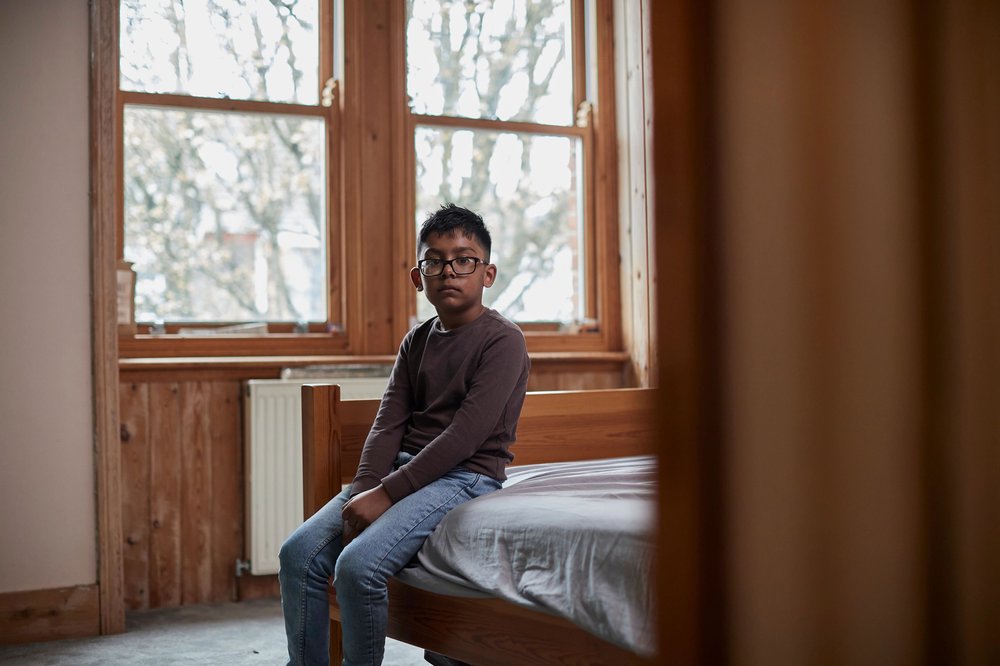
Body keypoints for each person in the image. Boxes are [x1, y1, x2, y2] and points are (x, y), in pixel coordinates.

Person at [279, 203, 531, 666]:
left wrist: (387, 494)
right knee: (298, 554)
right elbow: (388, 422)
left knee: (358, 567)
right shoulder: (416, 341)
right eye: (434, 261)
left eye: (464, 259)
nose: (449, 271)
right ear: (419, 278)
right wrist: (363, 490)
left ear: (487, 273)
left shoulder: (503, 341)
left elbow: (465, 437)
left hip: (466, 476)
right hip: (402, 472)